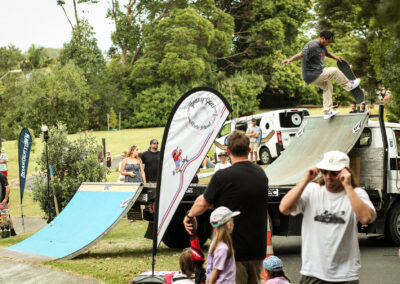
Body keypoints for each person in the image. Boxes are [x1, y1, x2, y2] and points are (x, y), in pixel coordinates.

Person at [184, 130, 268, 284]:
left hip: (232, 249)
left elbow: (203, 202)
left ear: (228, 151)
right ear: (249, 150)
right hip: (257, 248)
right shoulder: (261, 174)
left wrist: (189, 216)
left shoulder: (223, 176)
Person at [279, 151, 376, 283]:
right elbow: (284, 208)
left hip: (345, 275)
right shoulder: (312, 190)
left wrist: (348, 186)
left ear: (345, 172)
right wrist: (305, 179)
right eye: (325, 171)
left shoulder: (357, 194)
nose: (328, 176)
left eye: (334, 173)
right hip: (313, 273)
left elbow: (366, 218)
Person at [282, 30, 360, 119]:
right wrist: (289, 60)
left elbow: (327, 53)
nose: (328, 43)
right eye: (328, 41)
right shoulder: (311, 46)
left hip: (314, 75)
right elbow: (300, 55)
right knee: (334, 71)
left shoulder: (322, 45)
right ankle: (348, 85)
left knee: (328, 86)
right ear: (322, 38)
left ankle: (327, 112)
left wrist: (336, 58)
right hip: (312, 73)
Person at [206, 206, 239, 284]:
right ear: (228, 225)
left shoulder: (215, 243)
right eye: (232, 221)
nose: (233, 224)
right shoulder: (223, 248)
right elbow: (215, 270)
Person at [0, 172, 16, 237]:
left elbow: (7, 188)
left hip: (2, 200)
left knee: (4, 216)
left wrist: (5, 199)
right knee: (6, 216)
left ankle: (6, 233)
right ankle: (12, 232)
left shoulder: (1, 176)